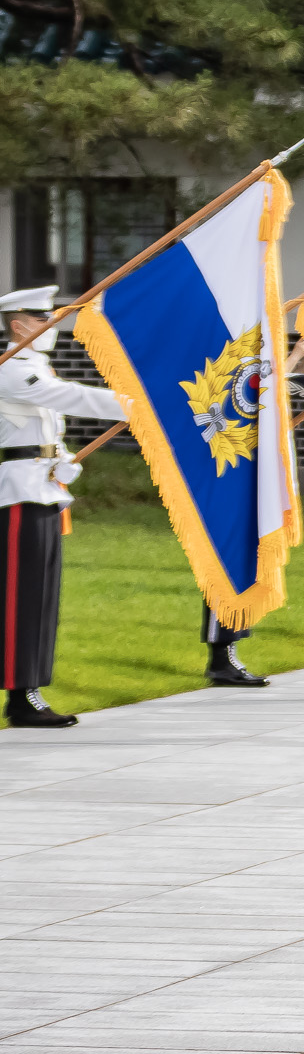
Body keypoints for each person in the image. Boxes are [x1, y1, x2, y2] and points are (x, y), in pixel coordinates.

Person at [0, 287, 131, 727]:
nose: (52, 326)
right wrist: (139, 404)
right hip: (18, 493)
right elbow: (74, 397)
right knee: (21, 596)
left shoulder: (35, 366)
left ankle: (29, 691)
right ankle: (21, 696)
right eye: (43, 319)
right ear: (19, 325)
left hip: (42, 487)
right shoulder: (13, 370)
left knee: (40, 596)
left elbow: (43, 432)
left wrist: (60, 462)